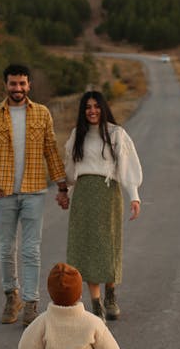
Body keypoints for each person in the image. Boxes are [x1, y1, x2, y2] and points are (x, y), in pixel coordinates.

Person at [0, 63, 69, 326]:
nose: (17, 88)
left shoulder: (41, 113)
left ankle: (31, 303)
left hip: (34, 190)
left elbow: (51, 151)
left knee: (31, 249)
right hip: (3, 192)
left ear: (29, 85)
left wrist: (61, 185)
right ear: (5, 85)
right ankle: (11, 296)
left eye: (22, 84)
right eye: (13, 84)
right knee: (6, 248)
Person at [59, 90, 142, 321]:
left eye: (96, 106)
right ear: (83, 111)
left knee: (108, 246)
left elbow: (127, 167)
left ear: (103, 108)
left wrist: (134, 196)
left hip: (108, 196)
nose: (92, 111)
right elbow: (71, 172)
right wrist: (64, 191)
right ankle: (95, 306)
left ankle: (111, 295)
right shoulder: (78, 135)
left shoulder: (116, 134)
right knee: (86, 249)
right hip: (84, 197)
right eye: (87, 107)